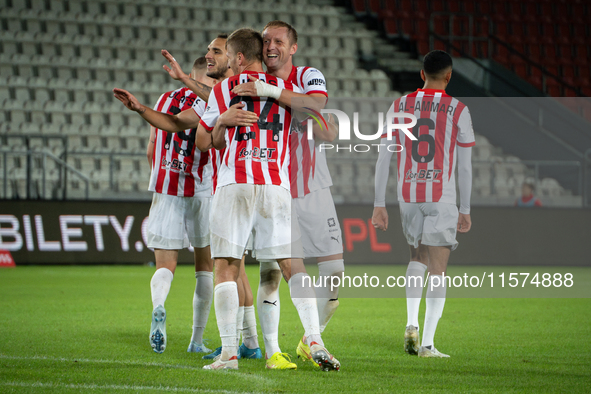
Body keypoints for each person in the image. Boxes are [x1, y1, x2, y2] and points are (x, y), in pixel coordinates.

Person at [196, 27, 339, 371]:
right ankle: (314, 339)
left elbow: (204, 142)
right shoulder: (287, 89)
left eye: (229, 56)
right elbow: (318, 113)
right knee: (293, 266)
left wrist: (222, 123)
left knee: (226, 267)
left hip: (235, 184)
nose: (227, 63)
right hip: (277, 186)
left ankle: (229, 354)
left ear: (240, 57)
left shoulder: (224, 89)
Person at [114, 36, 263, 357]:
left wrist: (156, 102)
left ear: (235, 58)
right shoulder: (219, 97)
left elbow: (174, 136)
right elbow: (196, 135)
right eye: (208, 52)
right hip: (219, 189)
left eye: (216, 51)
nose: (210, 55)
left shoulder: (245, 89)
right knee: (228, 269)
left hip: (213, 187)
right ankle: (238, 341)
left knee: (226, 268)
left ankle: (243, 342)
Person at [372, 50, 474, 358]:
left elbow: (384, 156)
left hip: (408, 194)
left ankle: (411, 323)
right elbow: (466, 166)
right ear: (449, 76)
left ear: (421, 74)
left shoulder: (400, 105)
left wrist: (379, 203)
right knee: (438, 268)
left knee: (416, 257)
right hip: (440, 195)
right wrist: (465, 209)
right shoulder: (458, 109)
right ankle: (427, 343)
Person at [139, 57, 213, 354]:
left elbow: (151, 147)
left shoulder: (165, 98)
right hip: (201, 189)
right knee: (205, 267)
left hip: (165, 186)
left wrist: (160, 175)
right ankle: (196, 340)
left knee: (165, 265)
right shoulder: (213, 100)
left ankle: (159, 306)